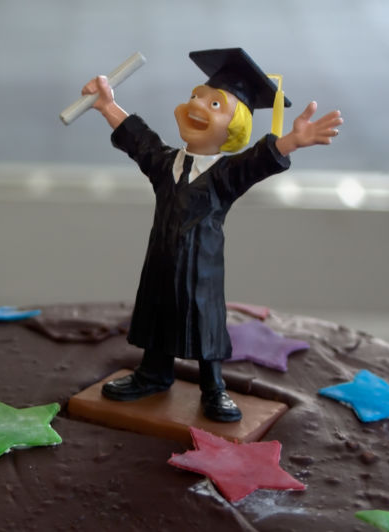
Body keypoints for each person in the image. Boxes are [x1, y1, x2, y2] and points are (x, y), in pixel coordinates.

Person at [81, 48, 342, 422]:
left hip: (201, 266)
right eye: (195, 97)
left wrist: (292, 141)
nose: (197, 105)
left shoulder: (225, 175)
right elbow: (138, 138)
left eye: (214, 104)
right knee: (157, 314)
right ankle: (153, 374)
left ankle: (214, 388)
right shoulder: (164, 161)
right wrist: (107, 105)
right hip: (161, 260)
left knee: (204, 323)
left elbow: (257, 162)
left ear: (233, 127)